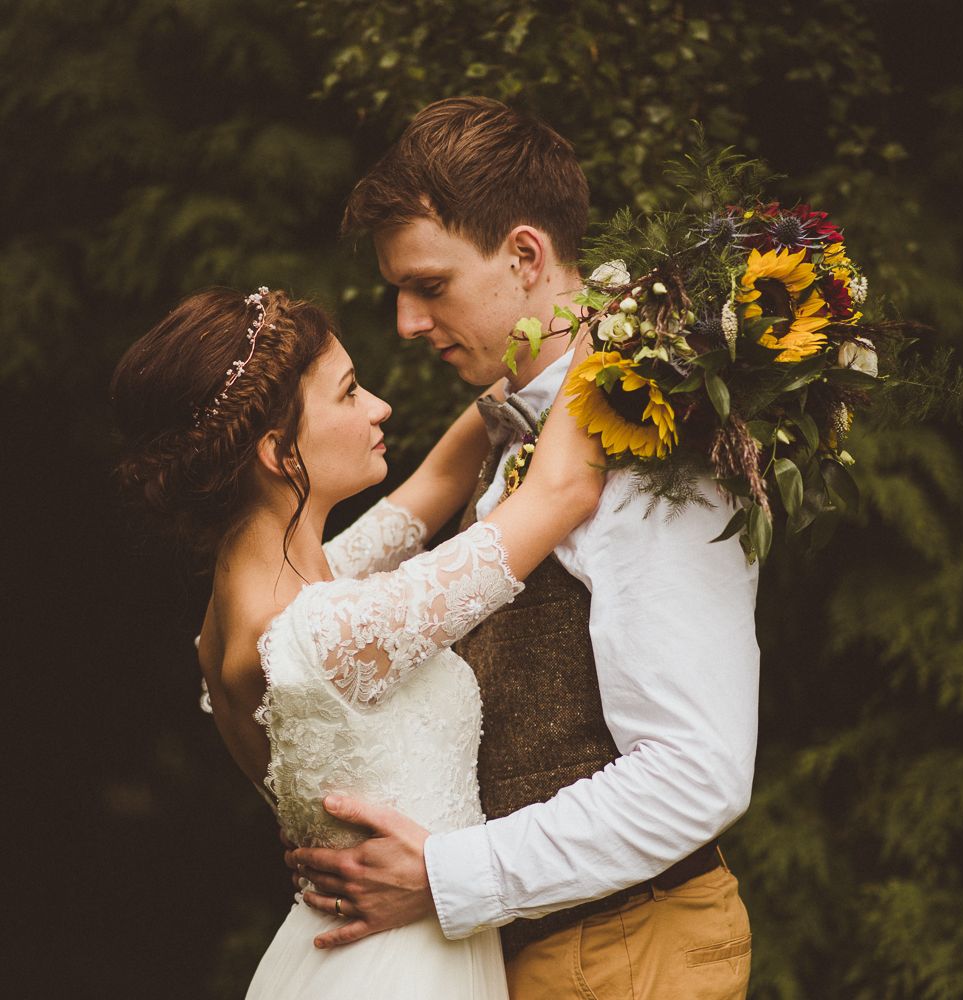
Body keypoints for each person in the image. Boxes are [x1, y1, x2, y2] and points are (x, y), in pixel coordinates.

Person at [288, 97, 760, 999]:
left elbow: (696, 772)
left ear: (526, 255)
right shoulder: (513, 425)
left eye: (430, 286)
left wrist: (449, 875)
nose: (407, 324)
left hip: (627, 951)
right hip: (552, 951)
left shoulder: (654, 446)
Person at [110, 285, 604, 999]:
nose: (380, 406)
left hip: (336, 959)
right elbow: (562, 492)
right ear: (279, 451)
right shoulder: (325, 636)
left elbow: (436, 480)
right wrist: (617, 323)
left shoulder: (256, 606)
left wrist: (533, 352)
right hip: (401, 972)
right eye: (348, 394)